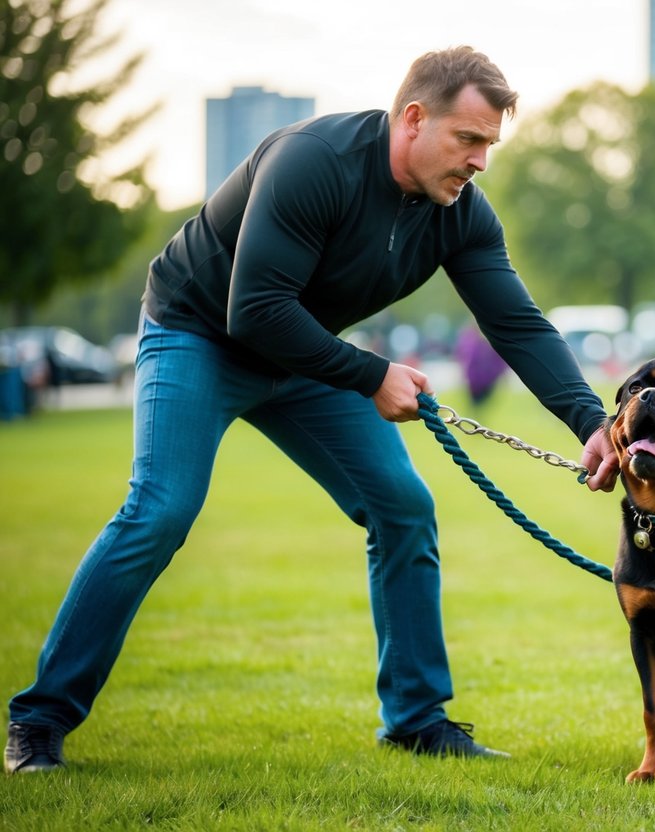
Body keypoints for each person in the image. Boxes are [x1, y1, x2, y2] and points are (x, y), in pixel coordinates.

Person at [5, 46, 620, 775]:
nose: (481, 161)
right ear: (414, 119)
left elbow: (517, 323)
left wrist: (591, 422)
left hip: (304, 356)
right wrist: (368, 375)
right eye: (469, 140)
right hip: (197, 334)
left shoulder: (459, 214)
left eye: (490, 144)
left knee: (401, 505)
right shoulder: (313, 162)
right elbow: (255, 309)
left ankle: (416, 719)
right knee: (161, 508)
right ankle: (39, 722)